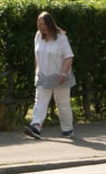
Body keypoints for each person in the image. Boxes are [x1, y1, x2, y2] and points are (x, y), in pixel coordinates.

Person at [23, 11, 76, 139]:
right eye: (40, 24)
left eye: (44, 24)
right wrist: (36, 72)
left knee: (62, 104)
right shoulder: (38, 36)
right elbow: (37, 56)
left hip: (60, 77)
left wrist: (63, 74)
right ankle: (36, 127)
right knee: (40, 101)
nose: (42, 27)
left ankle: (68, 129)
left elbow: (68, 57)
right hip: (43, 76)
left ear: (50, 24)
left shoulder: (61, 38)